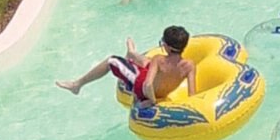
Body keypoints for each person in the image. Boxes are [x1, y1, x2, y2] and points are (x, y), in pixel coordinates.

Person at [56, 26, 195, 108]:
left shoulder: (159, 60)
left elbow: (147, 85)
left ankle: (77, 85)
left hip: (144, 91)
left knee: (112, 61)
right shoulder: (189, 66)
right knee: (147, 61)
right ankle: (132, 53)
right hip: (162, 89)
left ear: (167, 46)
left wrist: (152, 102)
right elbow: (192, 95)